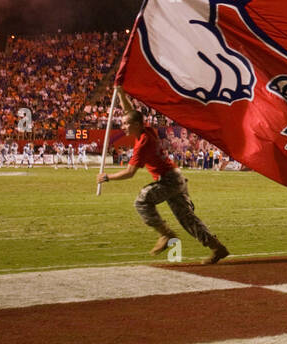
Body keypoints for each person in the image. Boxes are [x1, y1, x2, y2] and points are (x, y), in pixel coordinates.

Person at [98, 110, 230, 264]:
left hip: (169, 180)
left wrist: (107, 177)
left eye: (126, 123)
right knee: (187, 220)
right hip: (176, 178)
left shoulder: (143, 143)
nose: (123, 127)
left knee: (142, 201)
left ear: (136, 124)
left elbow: (130, 172)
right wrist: (120, 91)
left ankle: (166, 234)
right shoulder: (146, 131)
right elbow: (132, 112)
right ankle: (217, 247)